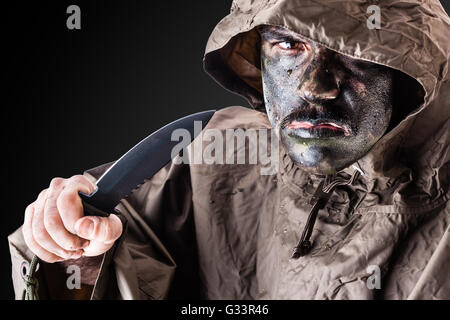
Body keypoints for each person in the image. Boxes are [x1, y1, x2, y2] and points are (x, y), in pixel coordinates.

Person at [9, 0, 450, 299]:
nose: (315, 87)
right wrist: (72, 248)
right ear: (256, 54)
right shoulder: (216, 149)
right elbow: (106, 253)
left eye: (356, 51)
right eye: (288, 45)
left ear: (415, 70)